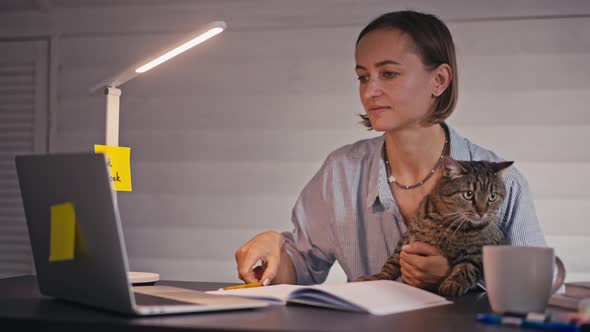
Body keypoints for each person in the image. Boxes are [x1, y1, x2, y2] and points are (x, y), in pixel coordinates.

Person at [234, 10, 546, 290]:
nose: (370, 91)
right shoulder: (341, 173)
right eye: (362, 77)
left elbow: (537, 295)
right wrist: (274, 249)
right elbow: (300, 269)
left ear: (439, 80)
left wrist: (455, 274)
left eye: (389, 74)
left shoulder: (506, 183)